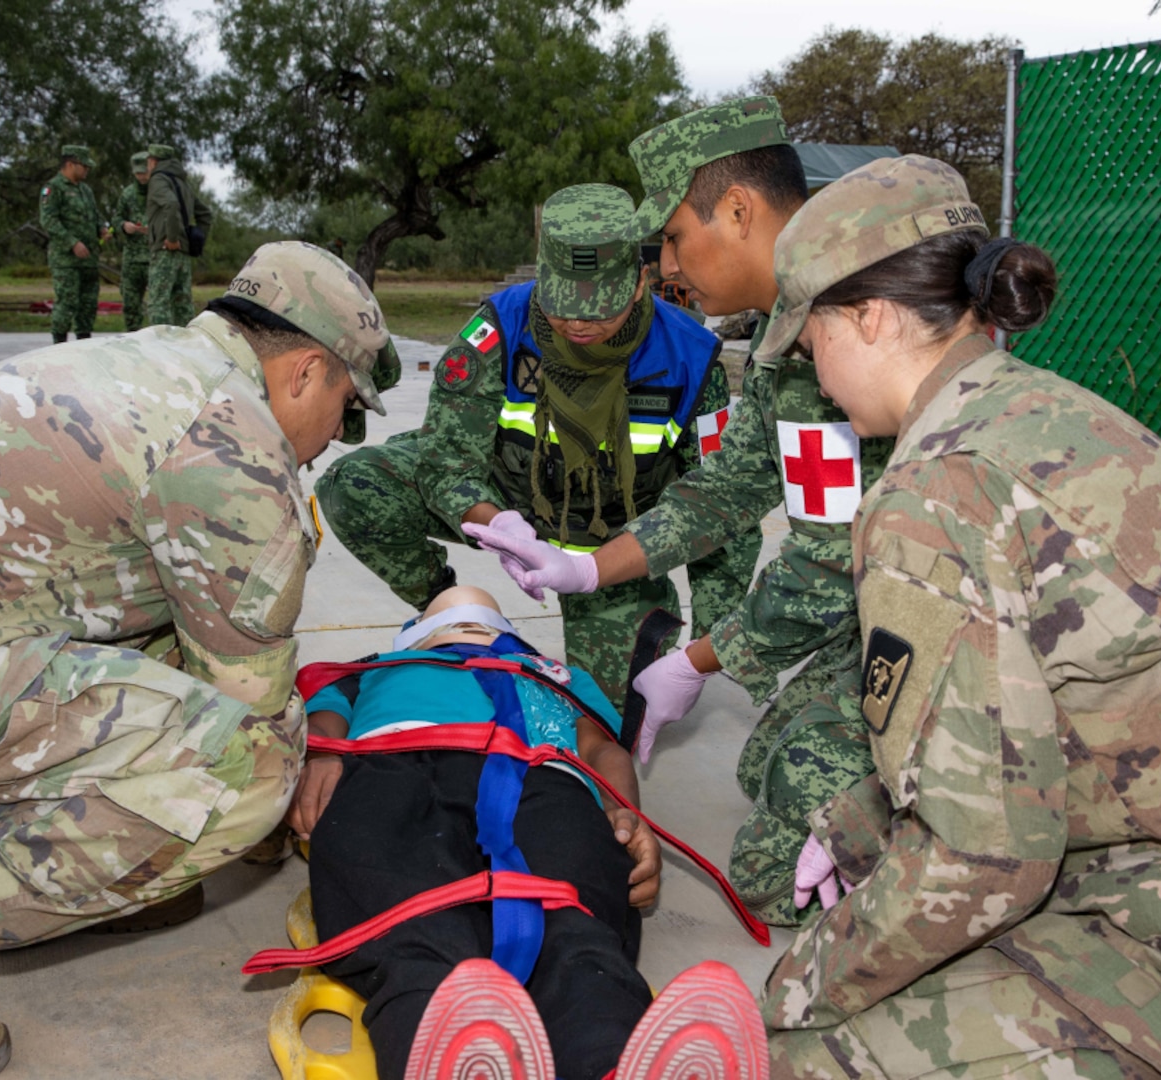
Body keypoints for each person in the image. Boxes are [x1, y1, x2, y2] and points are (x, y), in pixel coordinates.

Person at [0, 241, 399, 1080]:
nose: (331, 440)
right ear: (306, 372)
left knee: (175, 659)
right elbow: (250, 707)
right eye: (345, 409)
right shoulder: (230, 451)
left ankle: (95, 869)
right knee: (247, 771)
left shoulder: (148, 361)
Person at [755, 154, 1161, 1076]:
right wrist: (861, 824)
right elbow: (1047, 709)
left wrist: (791, 994)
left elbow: (984, 860)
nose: (814, 374)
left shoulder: (932, 495)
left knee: (809, 1052)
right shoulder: (1041, 410)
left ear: (867, 317)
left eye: (809, 343)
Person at [467, 99, 892, 923]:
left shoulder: (836, 330)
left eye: (668, 236)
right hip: (881, 604)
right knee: (763, 770)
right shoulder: (782, 328)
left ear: (736, 211)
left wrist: (698, 659)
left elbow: (825, 565)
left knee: (773, 883)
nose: (662, 263)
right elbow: (728, 487)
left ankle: (944, 831)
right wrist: (592, 566)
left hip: (939, 626)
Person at [280, 584, 768, 1080]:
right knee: (407, 920)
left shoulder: (562, 676)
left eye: (487, 624)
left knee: (576, 920)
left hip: (543, 778)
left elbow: (602, 750)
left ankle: (609, 1055)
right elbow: (323, 722)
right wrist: (322, 755)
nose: (472, 632)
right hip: (393, 766)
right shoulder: (367, 670)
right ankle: (443, 1033)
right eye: (447, 624)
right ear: (411, 641)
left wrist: (622, 811)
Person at [315, 182, 760, 711]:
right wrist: (499, 525)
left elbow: (722, 511)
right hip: (511, 501)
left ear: (639, 284)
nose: (576, 323)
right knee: (355, 484)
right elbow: (444, 460)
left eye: (597, 309)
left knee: (605, 717)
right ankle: (447, 607)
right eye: (562, 304)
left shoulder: (690, 358)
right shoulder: (500, 327)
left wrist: (705, 653)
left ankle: (640, 628)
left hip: (616, 542)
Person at [38, 143, 109, 344]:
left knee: (87, 305)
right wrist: (72, 243)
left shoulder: (85, 190)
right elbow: (49, 220)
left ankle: (83, 343)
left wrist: (102, 228)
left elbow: (95, 215)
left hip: (89, 260)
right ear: (70, 164)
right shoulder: (54, 188)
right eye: (83, 166)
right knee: (67, 303)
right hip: (66, 260)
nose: (86, 170)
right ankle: (59, 344)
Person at [144, 141, 213, 328]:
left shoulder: (158, 180)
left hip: (166, 250)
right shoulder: (182, 183)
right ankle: (186, 348)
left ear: (153, 161)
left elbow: (171, 205)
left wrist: (172, 238)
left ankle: (160, 347)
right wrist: (195, 240)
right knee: (183, 304)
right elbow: (205, 214)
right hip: (183, 254)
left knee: (159, 302)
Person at [114, 150, 152, 332]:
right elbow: (116, 218)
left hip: (154, 257)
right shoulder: (127, 194)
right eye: (138, 173)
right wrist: (124, 226)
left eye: (144, 172)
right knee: (130, 303)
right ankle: (132, 335)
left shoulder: (160, 193)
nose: (141, 177)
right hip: (132, 259)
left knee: (157, 306)